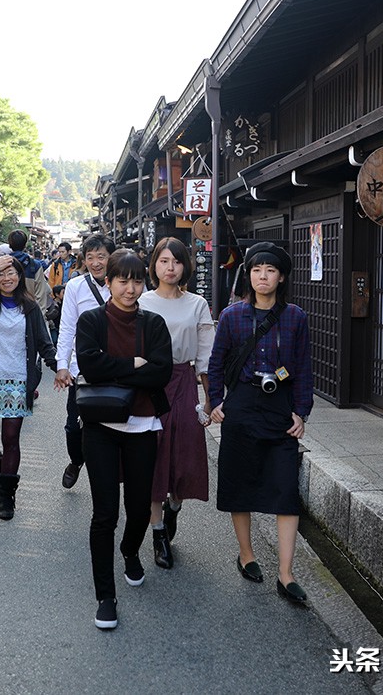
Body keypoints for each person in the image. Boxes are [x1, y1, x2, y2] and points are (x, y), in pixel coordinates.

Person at [207, 241, 313, 605]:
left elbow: (302, 367)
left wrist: (302, 411)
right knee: (240, 481)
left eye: (269, 270)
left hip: (279, 407)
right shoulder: (232, 316)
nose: (262, 276)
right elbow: (217, 362)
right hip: (241, 406)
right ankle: (247, 554)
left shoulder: (295, 316)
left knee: (286, 489)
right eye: (256, 270)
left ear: (281, 277)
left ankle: (286, 573)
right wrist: (216, 402)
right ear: (248, 275)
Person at [75, 248, 173, 630]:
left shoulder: (154, 325)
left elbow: (161, 374)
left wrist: (111, 373)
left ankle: (131, 550)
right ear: (108, 281)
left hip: (143, 426)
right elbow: (89, 365)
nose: (130, 288)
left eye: (136, 280)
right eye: (122, 280)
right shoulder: (91, 320)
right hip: (100, 427)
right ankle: (106, 595)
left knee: (137, 509)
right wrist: (133, 365)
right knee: (104, 514)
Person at [139, 237, 215, 569]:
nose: (171, 268)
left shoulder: (197, 304)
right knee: (152, 455)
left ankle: (175, 506)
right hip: (150, 384)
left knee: (185, 453)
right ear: (154, 265)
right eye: (164, 261)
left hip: (184, 381)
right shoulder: (141, 301)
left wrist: (210, 400)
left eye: (177, 261)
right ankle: (157, 534)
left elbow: (205, 357)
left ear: (186, 266)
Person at [0, 254, 57, 519]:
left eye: (12, 273)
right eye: (2, 274)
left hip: (18, 381)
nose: (7, 278)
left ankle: (7, 497)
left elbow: (43, 342)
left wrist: (58, 368)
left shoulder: (29, 308)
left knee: (11, 438)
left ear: (19, 276)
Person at [52, 233, 115, 488]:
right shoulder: (76, 286)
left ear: (112, 257)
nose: (96, 262)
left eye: (102, 256)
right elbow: (67, 327)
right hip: (82, 368)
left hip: (116, 367)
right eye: (90, 257)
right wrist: (62, 365)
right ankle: (76, 460)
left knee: (114, 422)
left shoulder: (126, 283)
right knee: (73, 425)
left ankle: (108, 474)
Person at [7, 229, 52, 310]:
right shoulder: (35, 265)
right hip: (28, 311)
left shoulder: (2, 263)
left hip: (5, 312)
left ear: (10, 245)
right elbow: (41, 295)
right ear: (25, 244)